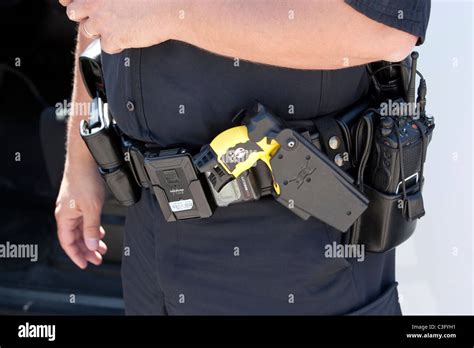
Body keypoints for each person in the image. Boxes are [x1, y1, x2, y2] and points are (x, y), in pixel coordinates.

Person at [55, 0, 431, 315]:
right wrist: (80, 162)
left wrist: (170, 13)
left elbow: (386, 28)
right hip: (150, 232)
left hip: (295, 248)